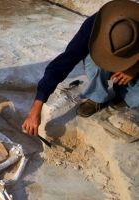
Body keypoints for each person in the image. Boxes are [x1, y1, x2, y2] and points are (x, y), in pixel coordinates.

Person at [22, 0, 139, 136]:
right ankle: (97, 96)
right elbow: (63, 63)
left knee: (136, 100)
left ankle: (124, 91)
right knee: (96, 63)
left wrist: (135, 68)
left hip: (135, 64)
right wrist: (36, 109)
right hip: (111, 61)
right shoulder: (95, 26)